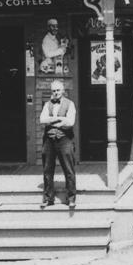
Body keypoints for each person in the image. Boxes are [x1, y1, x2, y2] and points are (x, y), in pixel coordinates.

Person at [39, 79, 77, 209]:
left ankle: (71, 198)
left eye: (58, 90)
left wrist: (53, 121)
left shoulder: (70, 104)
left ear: (63, 91)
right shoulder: (47, 104)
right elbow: (42, 119)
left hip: (65, 139)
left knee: (68, 169)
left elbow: (71, 122)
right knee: (47, 170)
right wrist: (59, 119)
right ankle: (48, 198)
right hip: (49, 140)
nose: (56, 93)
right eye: (53, 91)